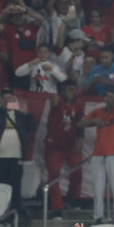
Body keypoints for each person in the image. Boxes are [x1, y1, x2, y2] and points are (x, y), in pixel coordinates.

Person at [0, 87, 38, 222]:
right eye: (4, 98)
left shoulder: (20, 115)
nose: (7, 100)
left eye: (10, 98)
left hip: (16, 157)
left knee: (15, 187)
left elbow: (33, 126)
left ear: (14, 100)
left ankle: (14, 214)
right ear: (0, 100)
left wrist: (26, 114)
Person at [79, 86, 114, 224]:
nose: (108, 99)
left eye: (112, 96)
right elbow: (80, 123)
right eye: (106, 97)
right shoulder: (97, 112)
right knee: (97, 188)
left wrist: (113, 100)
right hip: (98, 154)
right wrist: (93, 121)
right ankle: (97, 216)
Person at [45, 82, 84, 217]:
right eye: (65, 89)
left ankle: (73, 200)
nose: (68, 92)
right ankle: (57, 207)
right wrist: (55, 97)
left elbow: (80, 123)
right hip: (54, 145)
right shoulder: (58, 101)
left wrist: (80, 138)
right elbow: (53, 101)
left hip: (70, 144)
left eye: (71, 89)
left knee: (77, 171)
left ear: (76, 90)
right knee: (54, 174)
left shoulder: (79, 104)